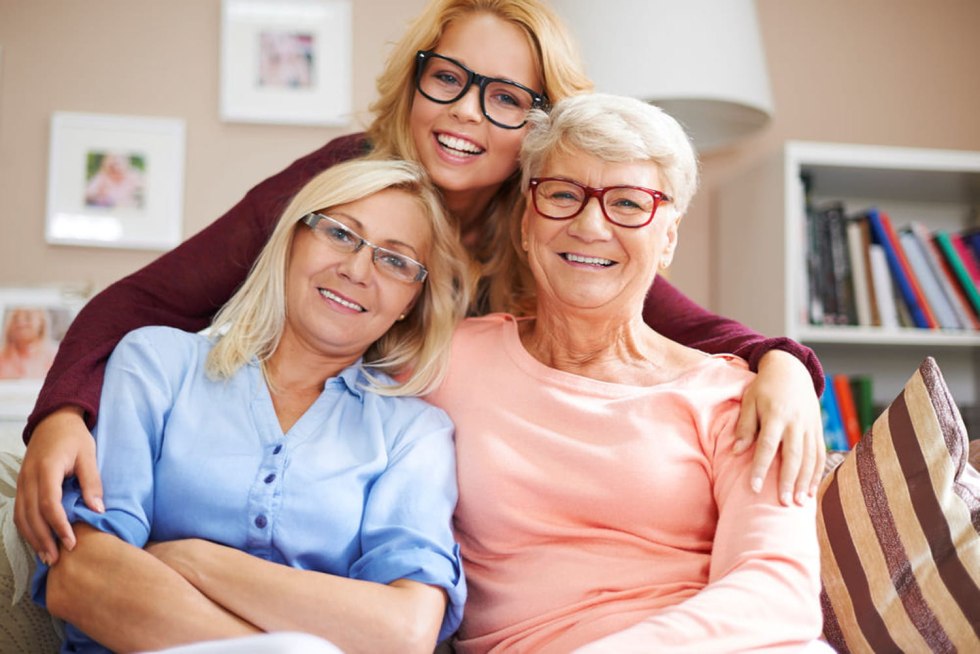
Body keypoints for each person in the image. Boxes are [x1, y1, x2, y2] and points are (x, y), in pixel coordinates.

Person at [16, 0, 825, 569]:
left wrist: (785, 365)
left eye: (507, 99)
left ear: (541, 130)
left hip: (404, 498)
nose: (467, 113)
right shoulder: (339, 181)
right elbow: (144, 302)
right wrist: (61, 415)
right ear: (414, 81)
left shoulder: (552, 221)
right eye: (450, 79)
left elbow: (696, 330)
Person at [426, 93, 825, 653]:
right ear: (524, 223)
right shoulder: (448, 362)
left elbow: (779, 593)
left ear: (668, 238)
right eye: (562, 194)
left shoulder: (740, 397)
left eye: (630, 204)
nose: (590, 225)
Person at [32, 158, 471, 654]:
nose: (356, 269)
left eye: (395, 260)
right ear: (291, 241)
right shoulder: (156, 364)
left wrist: (194, 559)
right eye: (341, 234)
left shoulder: (414, 435)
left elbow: (404, 632)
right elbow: (79, 575)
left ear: (411, 301)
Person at [0, 307, 59, 380]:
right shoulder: (2, 356)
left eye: (28, 317)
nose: (20, 323)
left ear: (41, 322)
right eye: (15, 318)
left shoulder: (56, 355)